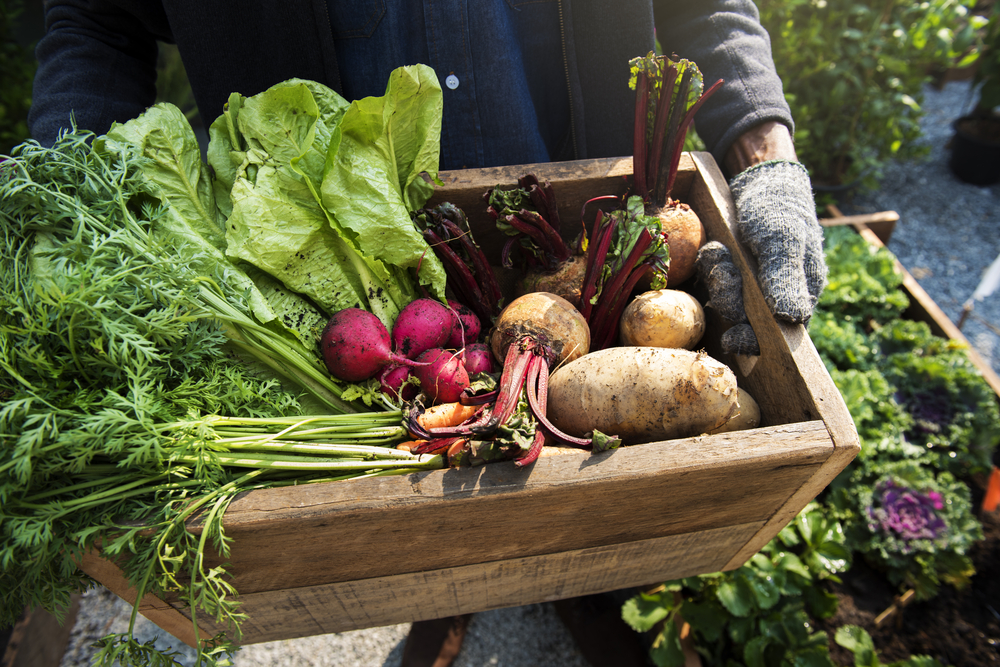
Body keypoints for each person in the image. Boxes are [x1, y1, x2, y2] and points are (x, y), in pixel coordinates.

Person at [27, 1, 826, 663]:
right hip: (362, 256)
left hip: (583, 232)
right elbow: (95, 20)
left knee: (597, 469)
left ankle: (592, 582)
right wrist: (58, 208)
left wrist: (762, 148)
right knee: (441, 506)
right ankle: (445, 598)